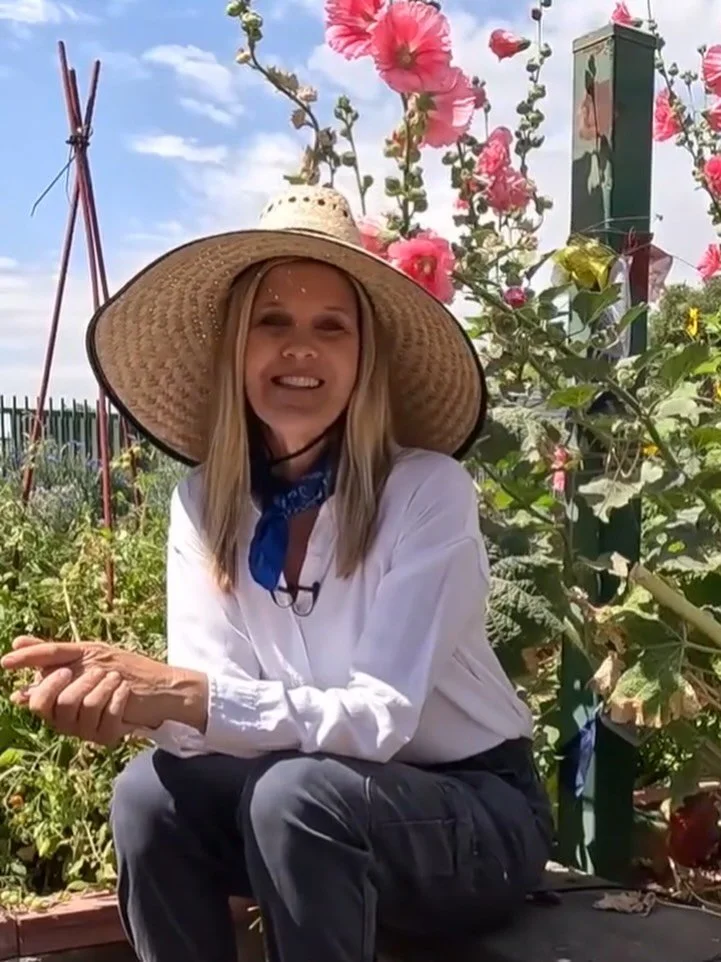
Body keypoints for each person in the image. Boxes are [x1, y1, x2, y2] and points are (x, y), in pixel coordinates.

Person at [2, 186, 553, 962]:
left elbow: (379, 719)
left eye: (331, 327)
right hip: (304, 806)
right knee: (149, 795)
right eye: (273, 323)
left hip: (470, 817)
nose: (300, 348)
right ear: (236, 349)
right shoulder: (205, 503)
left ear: (364, 359)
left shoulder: (424, 491)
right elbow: (220, 710)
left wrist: (184, 694)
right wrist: (129, 702)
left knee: (295, 796)